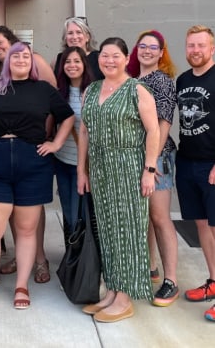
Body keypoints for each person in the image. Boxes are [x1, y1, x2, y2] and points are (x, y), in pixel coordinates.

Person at [0, 42, 74, 311]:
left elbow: (67, 117)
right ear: (7, 61)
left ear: (32, 61)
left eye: (25, 55)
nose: (20, 59)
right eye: (15, 55)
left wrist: (55, 143)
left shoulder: (43, 89)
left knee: (27, 230)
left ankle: (21, 286)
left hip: (33, 163)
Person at [77, 37, 159, 323]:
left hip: (128, 167)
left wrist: (149, 170)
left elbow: (153, 131)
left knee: (128, 231)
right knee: (108, 231)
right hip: (99, 168)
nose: (109, 61)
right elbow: (84, 132)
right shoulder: (92, 89)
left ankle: (125, 298)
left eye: (115, 56)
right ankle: (112, 290)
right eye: (104, 57)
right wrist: (81, 170)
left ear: (126, 58)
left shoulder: (138, 90)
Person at [0, 25, 56, 283]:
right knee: (13, 211)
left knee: (30, 210)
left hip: (33, 148)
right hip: (2, 157)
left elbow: (50, 98)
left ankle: (40, 260)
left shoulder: (33, 60)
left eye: (0, 43)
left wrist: (44, 137)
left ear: (12, 41)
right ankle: (22, 257)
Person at [127, 29, 179, 307]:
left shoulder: (162, 81)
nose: (146, 51)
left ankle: (170, 280)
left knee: (160, 217)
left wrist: (152, 161)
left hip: (156, 158)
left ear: (161, 53)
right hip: (138, 156)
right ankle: (151, 267)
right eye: (142, 46)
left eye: (153, 47)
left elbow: (164, 121)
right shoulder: (134, 80)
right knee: (145, 216)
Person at [175, 25, 215, 322]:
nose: (195, 50)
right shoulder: (183, 80)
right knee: (202, 227)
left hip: (212, 164)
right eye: (191, 46)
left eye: (201, 45)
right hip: (187, 162)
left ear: (211, 48)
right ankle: (213, 282)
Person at [54, 46, 94, 242]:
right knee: (68, 213)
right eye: (68, 62)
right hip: (62, 161)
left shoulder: (94, 91)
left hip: (84, 164)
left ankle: (84, 260)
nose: (72, 65)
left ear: (84, 64)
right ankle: (72, 257)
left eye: (77, 61)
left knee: (80, 214)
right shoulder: (59, 92)